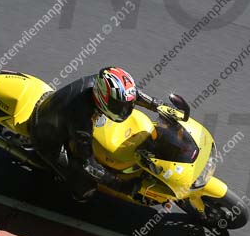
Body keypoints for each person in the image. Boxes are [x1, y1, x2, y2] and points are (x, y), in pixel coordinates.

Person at [29, 67, 162, 202]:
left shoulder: (103, 84)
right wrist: (121, 186)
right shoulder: (81, 118)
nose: (124, 110)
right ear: (103, 97)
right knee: (86, 187)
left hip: (61, 113)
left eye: (127, 105)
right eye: (118, 105)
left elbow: (134, 95)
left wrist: (157, 105)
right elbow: (88, 164)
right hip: (47, 136)